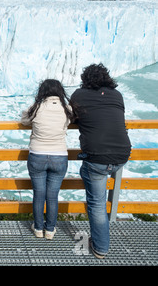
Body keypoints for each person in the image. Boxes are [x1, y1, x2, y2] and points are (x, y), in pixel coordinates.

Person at [70, 63, 131, 259]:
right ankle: (102, 238)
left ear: (85, 79)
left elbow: (75, 118)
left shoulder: (79, 95)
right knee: (102, 189)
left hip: (96, 158)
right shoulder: (117, 95)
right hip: (122, 155)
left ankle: (101, 247)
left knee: (96, 203)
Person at [21, 79, 73, 240]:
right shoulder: (67, 109)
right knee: (52, 195)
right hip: (59, 156)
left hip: (38, 155)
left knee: (39, 194)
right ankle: (50, 230)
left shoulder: (36, 108)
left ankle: (38, 228)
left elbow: (24, 120)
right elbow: (69, 122)